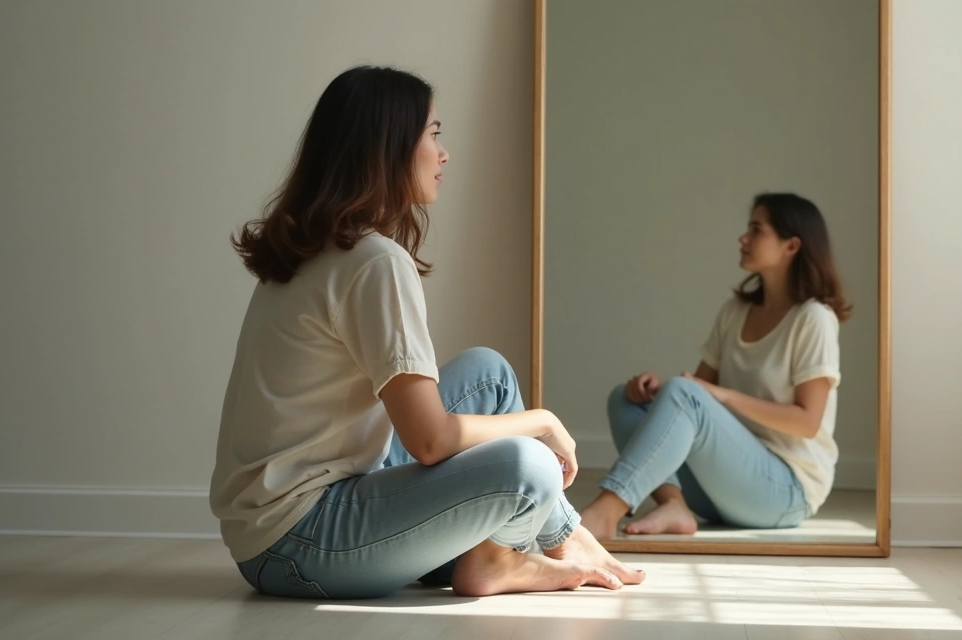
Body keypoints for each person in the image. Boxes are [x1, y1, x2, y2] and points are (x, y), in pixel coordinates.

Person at [209, 65, 643, 599]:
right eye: (433, 134)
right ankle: (493, 560)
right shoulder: (373, 262)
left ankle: (555, 538)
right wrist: (544, 421)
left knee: (489, 375)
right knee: (528, 464)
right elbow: (430, 440)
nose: (444, 153)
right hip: (299, 541)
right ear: (386, 148)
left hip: (281, 524)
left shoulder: (316, 249)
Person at [577, 193, 851, 540]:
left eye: (756, 229)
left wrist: (722, 395)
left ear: (791, 246)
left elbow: (808, 422)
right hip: (719, 487)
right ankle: (674, 504)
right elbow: (695, 397)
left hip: (785, 491)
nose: (743, 238)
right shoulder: (735, 312)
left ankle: (605, 512)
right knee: (625, 399)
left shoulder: (814, 319)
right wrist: (655, 390)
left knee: (684, 395)